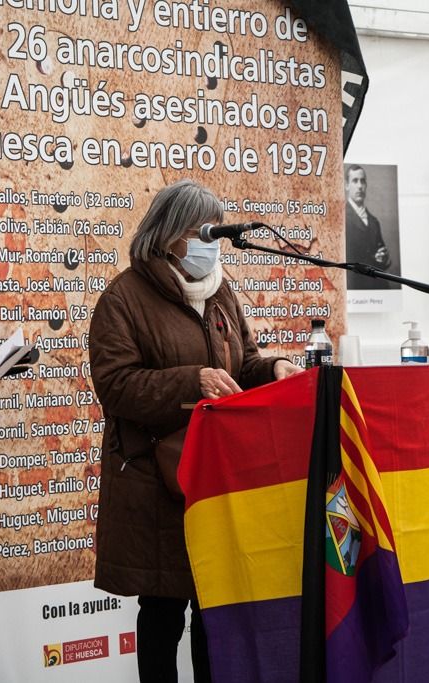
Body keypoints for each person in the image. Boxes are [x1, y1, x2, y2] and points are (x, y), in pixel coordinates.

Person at [88, 180, 302, 683]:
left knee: (215, 615)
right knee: (163, 616)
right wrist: (192, 381)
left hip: (215, 477)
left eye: (215, 231)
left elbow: (241, 362)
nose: (211, 243)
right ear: (167, 235)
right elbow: (115, 386)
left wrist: (271, 369)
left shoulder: (220, 290)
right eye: (199, 231)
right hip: (154, 481)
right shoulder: (123, 298)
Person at [344, 164, 392, 289]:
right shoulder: (340, 218)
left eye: (362, 181)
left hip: (377, 286)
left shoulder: (374, 222)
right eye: (355, 181)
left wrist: (382, 258)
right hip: (353, 288)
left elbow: (381, 258)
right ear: (346, 185)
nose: (359, 186)